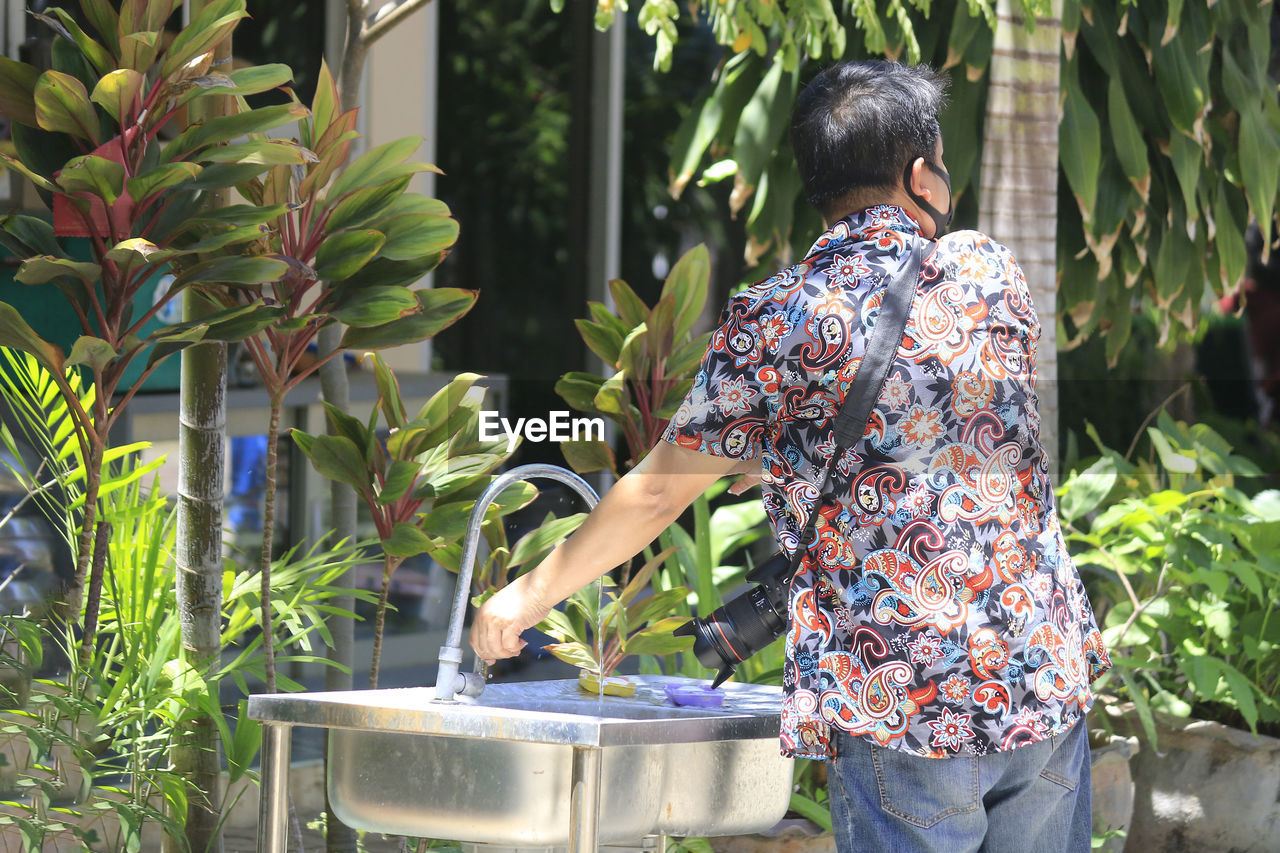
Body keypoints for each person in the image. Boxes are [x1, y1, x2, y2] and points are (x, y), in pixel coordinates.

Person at [472, 59, 1111, 853]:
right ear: (921, 176)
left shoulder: (776, 320)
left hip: (901, 694)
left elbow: (658, 495)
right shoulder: (989, 274)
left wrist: (524, 598)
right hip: (1039, 672)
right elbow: (938, 419)